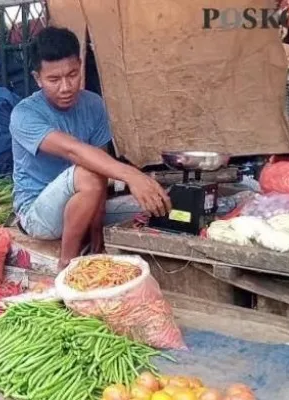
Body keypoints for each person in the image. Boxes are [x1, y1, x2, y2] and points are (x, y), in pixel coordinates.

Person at [10, 27, 171, 270]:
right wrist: (133, 175)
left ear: (81, 65)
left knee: (160, 202)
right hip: (38, 216)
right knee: (87, 170)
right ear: (37, 78)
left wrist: (98, 233)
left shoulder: (93, 104)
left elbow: (101, 168)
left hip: (85, 204)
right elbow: (75, 152)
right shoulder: (24, 114)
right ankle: (68, 266)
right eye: (54, 79)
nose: (66, 87)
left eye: (73, 74)